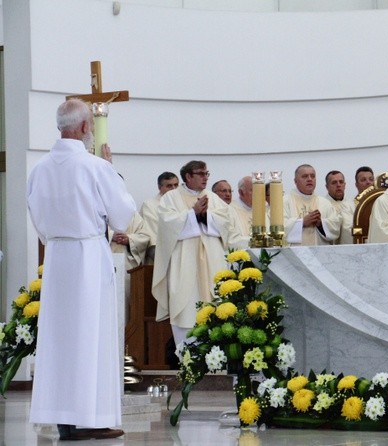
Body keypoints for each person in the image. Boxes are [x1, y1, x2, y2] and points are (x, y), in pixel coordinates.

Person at [27, 98, 135, 440]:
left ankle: (63, 418)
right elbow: (123, 216)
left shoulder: (40, 168)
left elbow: (39, 224)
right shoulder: (94, 167)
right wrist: (110, 170)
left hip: (57, 257)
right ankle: (92, 417)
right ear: (86, 128)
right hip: (88, 255)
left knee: (61, 340)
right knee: (92, 336)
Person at [152, 161, 247, 347]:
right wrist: (192, 214)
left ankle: (216, 360)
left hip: (213, 262)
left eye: (206, 174)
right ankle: (188, 361)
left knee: (217, 306)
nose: (205, 177)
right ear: (188, 176)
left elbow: (227, 223)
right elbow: (166, 225)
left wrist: (205, 216)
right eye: (201, 174)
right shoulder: (171, 198)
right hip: (184, 262)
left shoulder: (213, 198)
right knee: (186, 307)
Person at [284, 164, 341, 246]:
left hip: (320, 255)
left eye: (312, 176)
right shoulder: (285, 202)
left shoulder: (325, 203)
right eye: (305, 176)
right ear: (295, 181)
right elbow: (279, 228)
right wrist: (302, 222)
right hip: (294, 255)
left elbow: (335, 227)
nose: (309, 179)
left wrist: (321, 224)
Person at [140, 171, 179, 262]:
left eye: (176, 185)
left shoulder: (183, 204)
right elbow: (152, 232)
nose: (173, 189)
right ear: (159, 187)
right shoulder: (150, 205)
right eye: (169, 186)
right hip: (159, 253)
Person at [324, 170, 356, 244]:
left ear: (344, 185)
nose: (338, 185)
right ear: (327, 187)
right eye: (334, 182)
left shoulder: (353, 204)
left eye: (341, 182)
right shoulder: (323, 205)